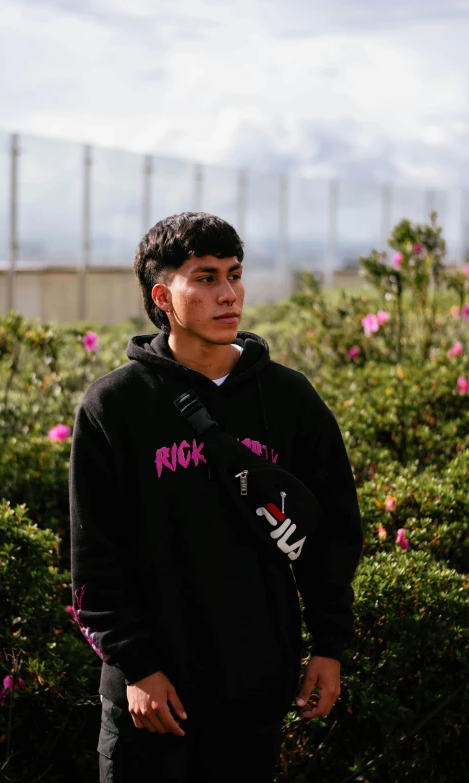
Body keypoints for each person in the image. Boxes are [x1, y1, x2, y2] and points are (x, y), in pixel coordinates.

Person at [69, 212, 363, 783]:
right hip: (151, 701)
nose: (229, 294)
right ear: (164, 296)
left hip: (252, 692)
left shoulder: (288, 398)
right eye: (205, 278)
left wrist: (329, 645)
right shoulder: (114, 407)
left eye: (234, 274)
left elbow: (332, 531)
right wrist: (138, 667)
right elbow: (94, 559)